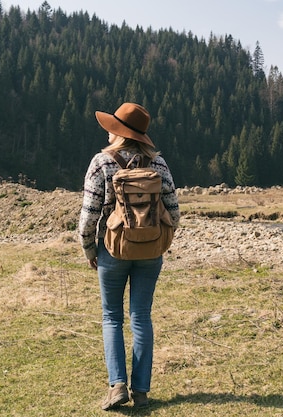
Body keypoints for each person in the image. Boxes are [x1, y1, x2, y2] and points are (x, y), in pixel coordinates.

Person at [78, 102, 180, 410]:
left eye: (112, 127)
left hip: (111, 250)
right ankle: (142, 390)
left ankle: (117, 386)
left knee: (112, 317)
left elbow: (89, 216)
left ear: (119, 132)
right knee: (141, 316)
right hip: (150, 251)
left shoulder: (102, 163)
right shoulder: (158, 165)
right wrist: (159, 241)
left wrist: (88, 249)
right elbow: (173, 213)